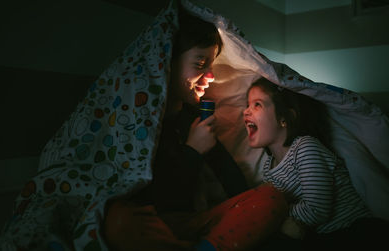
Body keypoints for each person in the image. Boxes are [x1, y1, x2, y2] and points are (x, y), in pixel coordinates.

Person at [102, 8, 288, 251]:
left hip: (192, 222)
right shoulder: (136, 118)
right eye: (200, 64)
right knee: (117, 220)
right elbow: (157, 195)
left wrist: (246, 204)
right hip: (151, 220)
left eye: (210, 64)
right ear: (166, 63)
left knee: (271, 197)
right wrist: (192, 150)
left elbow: (227, 173)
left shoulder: (193, 117)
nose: (209, 76)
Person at [243, 77, 388, 250]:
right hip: (322, 238)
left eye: (257, 104)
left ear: (285, 118)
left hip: (355, 231)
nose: (246, 111)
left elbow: (317, 209)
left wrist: (274, 216)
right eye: (247, 104)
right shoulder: (269, 167)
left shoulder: (304, 147)